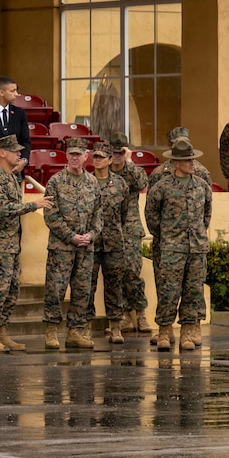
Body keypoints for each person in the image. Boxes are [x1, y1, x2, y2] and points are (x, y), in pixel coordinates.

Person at [0, 135, 53, 352]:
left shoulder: (10, 176)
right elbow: (3, 210)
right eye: (15, 151)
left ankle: (0, 333)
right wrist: (34, 205)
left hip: (9, 244)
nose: (19, 154)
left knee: (11, 290)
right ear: (2, 152)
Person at [145, 137, 211, 352]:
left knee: (193, 292)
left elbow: (206, 215)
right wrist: (167, 236)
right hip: (172, 248)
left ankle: (187, 333)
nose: (192, 163)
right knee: (168, 291)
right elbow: (151, 216)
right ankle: (164, 331)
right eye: (187, 160)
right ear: (175, 163)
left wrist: (197, 235)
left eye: (192, 159)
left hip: (197, 248)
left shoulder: (202, 186)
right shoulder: (162, 187)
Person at [41, 137, 102, 350]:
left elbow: (98, 214)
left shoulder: (93, 182)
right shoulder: (55, 182)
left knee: (83, 290)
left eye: (79, 154)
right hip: (62, 248)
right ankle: (51, 330)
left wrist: (92, 235)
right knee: (56, 289)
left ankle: (75, 331)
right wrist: (71, 236)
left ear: (86, 156)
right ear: (67, 156)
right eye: (72, 154)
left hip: (86, 248)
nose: (75, 158)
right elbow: (51, 216)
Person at [107, 132, 153, 334]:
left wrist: (129, 161)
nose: (117, 156)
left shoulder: (133, 171)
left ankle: (141, 314)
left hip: (130, 228)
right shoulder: (103, 171)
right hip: (110, 230)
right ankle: (124, 316)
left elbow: (142, 184)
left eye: (120, 152)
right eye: (114, 152)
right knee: (115, 275)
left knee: (133, 272)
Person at [89, 141, 131, 343]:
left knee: (114, 286)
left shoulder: (120, 184)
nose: (97, 160)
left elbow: (123, 214)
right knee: (87, 285)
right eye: (95, 156)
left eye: (100, 157)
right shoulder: (86, 182)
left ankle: (115, 327)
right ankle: (85, 326)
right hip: (90, 242)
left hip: (113, 243)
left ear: (109, 160)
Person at [148, 126, 212, 191]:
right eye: (177, 143)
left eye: (184, 143)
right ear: (170, 145)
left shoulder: (201, 172)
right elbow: (151, 198)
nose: (181, 146)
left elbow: (208, 197)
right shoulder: (159, 173)